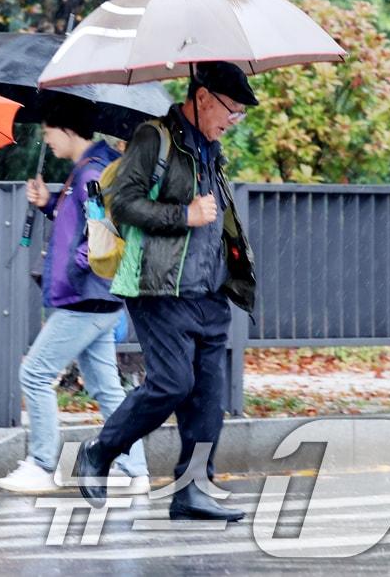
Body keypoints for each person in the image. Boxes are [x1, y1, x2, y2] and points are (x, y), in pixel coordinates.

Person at [73, 62, 258, 521]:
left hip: (209, 292)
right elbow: (124, 203)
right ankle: (99, 451)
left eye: (238, 116)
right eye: (230, 111)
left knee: (207, 399)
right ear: (202, 97)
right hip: (157, 288)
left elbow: (218, 218)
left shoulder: (212, 151)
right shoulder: (152, 139)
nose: (231, 122)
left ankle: (192, 490)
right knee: (173, 383)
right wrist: (184, 215)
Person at [0, 97, 149, 495]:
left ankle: (44, 464)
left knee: (35, 373)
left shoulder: (90, 174)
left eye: (48, 132)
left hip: (86, 296)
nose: (46, 141)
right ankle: (134, 471)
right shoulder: (84, 171)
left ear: (66, 130)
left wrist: (80, 263)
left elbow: (106, 229)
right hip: (97, 296)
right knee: (106, 388)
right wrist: (48, 204)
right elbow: (83, 223)